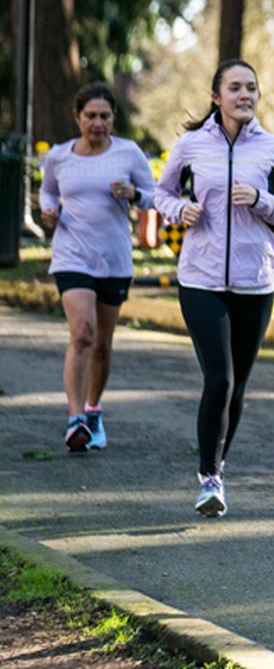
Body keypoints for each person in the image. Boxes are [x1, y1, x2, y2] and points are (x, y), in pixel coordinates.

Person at [154, 59, 274, 517]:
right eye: (235, 87)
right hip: (200, 278)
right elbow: (161, 195)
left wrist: (261, 201)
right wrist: (181, 211)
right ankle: (209, 477)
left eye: (252, 88)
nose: (245, 94)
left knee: (237, 386)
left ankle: (219, 465)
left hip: (255, 281)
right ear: (216, 96)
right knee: (219, 377)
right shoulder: (192, 144)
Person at [39, 83, 156, 452]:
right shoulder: (59, 157)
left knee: (103, 345)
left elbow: (154, 196)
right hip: (72, 255)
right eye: (90, 116)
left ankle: (93, 411)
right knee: (83, 333)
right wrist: (49, 211)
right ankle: (75, 419)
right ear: (77, 117)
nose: (98, 123)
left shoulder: (128, 153)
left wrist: (133, 195)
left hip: (114, 259)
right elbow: (48, 191)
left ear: (113, 119)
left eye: (105, 116)